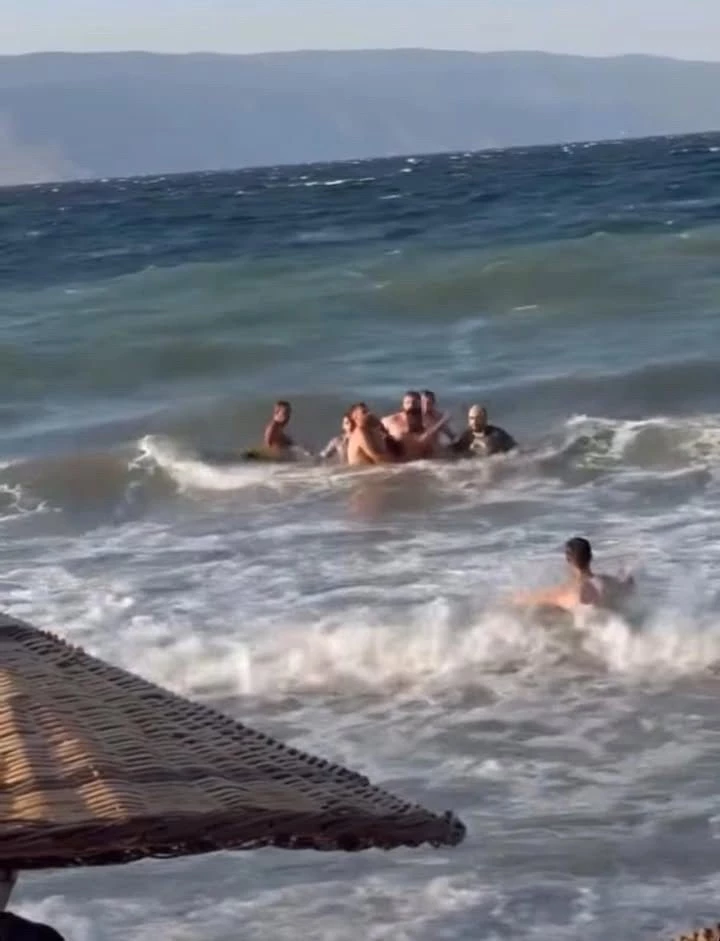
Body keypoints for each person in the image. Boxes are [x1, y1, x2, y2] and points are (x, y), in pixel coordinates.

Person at [512, 537, 635, 614]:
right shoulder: (606, 581)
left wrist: (517, 598)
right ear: (590, 557)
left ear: (568, 560)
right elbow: (628, 585)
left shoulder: (568, 591)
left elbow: (533, 599)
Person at [381, 390, 451, 461]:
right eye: (407, 402)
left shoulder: (432, 419)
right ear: (403, 405)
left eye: (415, 403)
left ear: (420, 405)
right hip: (400, 459)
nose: (411, 405)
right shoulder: (389, 420)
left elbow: (451, 437)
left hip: (425, 462)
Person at [452, 404, 516, 457]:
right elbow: (454, 450)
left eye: (478, 418)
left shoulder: (497, 435)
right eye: (471, 418)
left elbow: (515, 449)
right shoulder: (466, 436)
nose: (474, 422)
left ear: (485, 419)